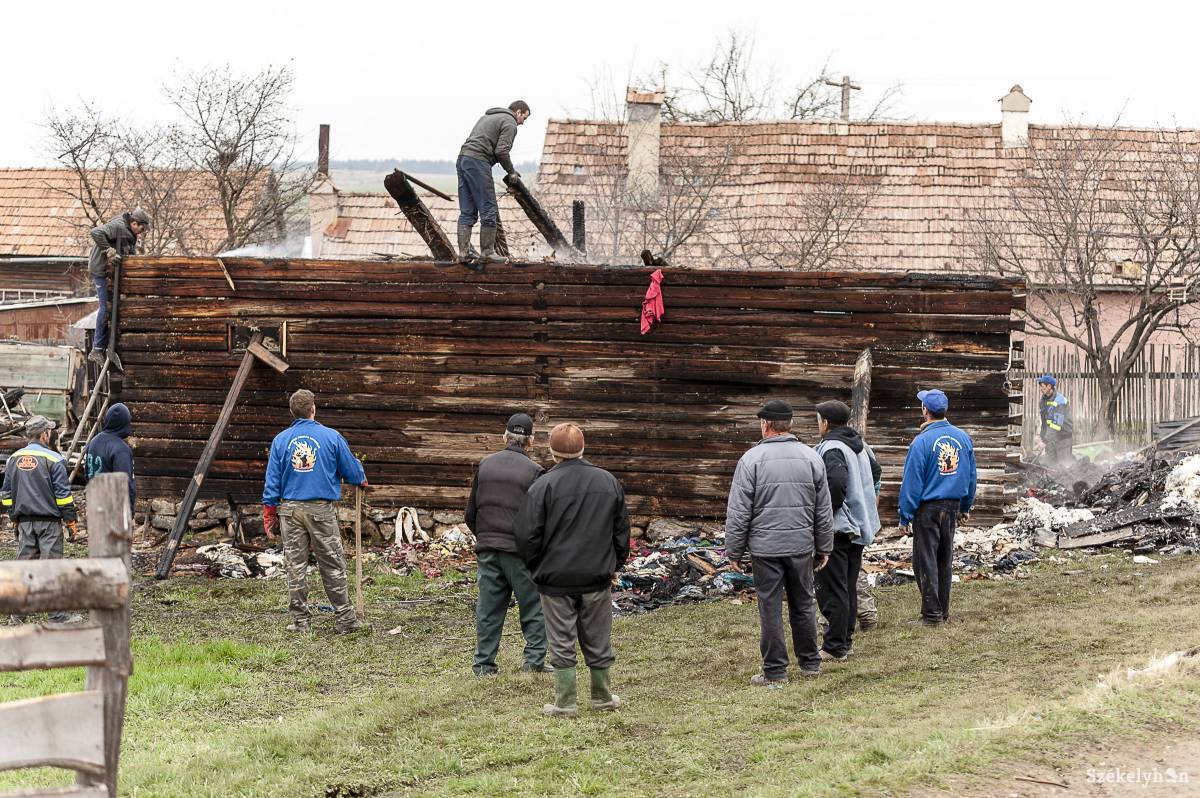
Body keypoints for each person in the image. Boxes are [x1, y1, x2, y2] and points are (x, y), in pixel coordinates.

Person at [514, 423, 629, 718]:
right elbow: (621, 532)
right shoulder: (608, 481)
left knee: (561, 639)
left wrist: (536, 566)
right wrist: (615, 565)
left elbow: (527, 536)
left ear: (552, 452)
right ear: (583, 447)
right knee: (598, 636)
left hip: (555, 579)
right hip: (596, 576)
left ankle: (565, 702)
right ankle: (602, 697)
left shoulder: (542, 486)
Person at [725, 400, 834, 685]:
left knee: (770, 607)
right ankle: (810, 663)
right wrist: (824, 546)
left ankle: (775, 671)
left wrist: (734, 550)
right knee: (803, 603)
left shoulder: (751, 460)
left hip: (766, 549)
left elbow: (739, 511)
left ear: (765, 425)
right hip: (800, 547)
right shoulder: (811, 458)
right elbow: (822, 509)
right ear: (790, 425)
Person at [262, 389, 368, 634]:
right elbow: (352, 472)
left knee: (295, 566)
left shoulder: (281, 441)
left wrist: (269, 513)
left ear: (292, 412)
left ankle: (300, 623)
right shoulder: (331, 437)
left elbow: (272, 481)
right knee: (331, 563)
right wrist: (360, 476)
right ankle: (345, 620)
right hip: (320, 510)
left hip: (289, 511)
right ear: (313, 409)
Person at [465, 412, 552, 676]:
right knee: (533, 607)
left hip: (488, 548)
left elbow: (471, 514)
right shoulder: (536, 472)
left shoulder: (486, 465)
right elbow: (542, 518)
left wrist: (485, 536)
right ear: (531, 441)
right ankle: (534, 662)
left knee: (488, 609)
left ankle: (483, 664)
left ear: (505, 436)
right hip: (520, 552)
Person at [898, 389, 977, 626]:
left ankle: (932, 615)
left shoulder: (921, 442)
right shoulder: (963, 438)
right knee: (944, 559)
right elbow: (971, 475)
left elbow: (912, 481)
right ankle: (942, 611)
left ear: (925, 411)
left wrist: (905, 515)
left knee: (925, 561)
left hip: (928, 508)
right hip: (952, 506)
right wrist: (966, 505)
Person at [813, 400, 882, 662]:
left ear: (826, 423)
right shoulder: (860, 445)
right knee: (848, 586)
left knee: (834, 589)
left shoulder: (831, 448)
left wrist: (826, 515)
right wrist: (862, 498)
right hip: (858, 526)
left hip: (839, 528)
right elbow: (876, 471)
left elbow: (837, 484)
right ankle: (846, 641)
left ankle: (834, 646)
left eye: (818, 420)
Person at [3, 416, 80, 625]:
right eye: (50, 431)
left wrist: (14, 518)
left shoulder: (13, 459)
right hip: (49, 525)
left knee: (25, 569)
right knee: (51, 569)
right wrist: (71, 522)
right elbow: (63, 495)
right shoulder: (54, 459)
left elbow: (7, 494)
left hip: (25, 523)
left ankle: (17, 616)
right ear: (45, 434)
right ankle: (57, 616)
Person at [457, 101, 531, 264]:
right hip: (478, 161)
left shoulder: (488, 116)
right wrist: (511, 171)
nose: (522, 123)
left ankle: (463, 253)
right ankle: (488, 252)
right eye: (523, 118)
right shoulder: (510, 122)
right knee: (488, 208)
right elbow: (501, 151)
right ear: (518, 112)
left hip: (463, 159)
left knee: (467, 211)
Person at [87, 208, 150, 364]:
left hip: (113, 271)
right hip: (101, 269)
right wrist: (108, 250)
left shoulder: (129, 233)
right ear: (134, 223)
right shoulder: (118, 225)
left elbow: (130, 252)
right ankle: (97, 349)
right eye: (141, 229)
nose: (141, 233)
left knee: (117, 305)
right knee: (105, 307)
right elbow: (95, 232)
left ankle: (111, 342)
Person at [84, 403, 137, 517]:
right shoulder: (121, 449)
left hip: (95, 508)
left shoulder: (93, 442)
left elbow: (87, 474)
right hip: (113, 512)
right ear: (124, 422)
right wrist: (129, 512)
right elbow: (125, 484)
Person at [1036, 374, 1074, 467]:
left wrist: (1046, 440)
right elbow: (1045, 422)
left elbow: (1056, 425)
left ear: (1049, 386)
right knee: (1050, 468)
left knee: (1064, 468)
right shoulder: (1043, 401)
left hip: (1063, 440)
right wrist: (1042, 438)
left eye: (1042, 386)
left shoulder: (1060, 401)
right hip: (1051, 440)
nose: (1040, 388)